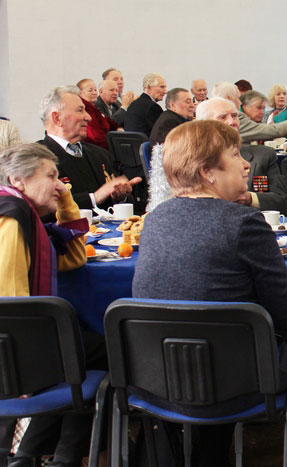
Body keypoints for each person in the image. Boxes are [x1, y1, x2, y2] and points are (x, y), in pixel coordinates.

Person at [132, 120, 287, 466]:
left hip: (161, 375)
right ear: (207, 172)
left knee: (223, 345)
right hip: (233, 379)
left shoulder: (155, 219)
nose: (246, 164)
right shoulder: (245, 223)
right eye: (235, 155)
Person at [0, 143, 105, 467]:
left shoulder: (24, 212)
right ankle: (62, 455)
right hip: (14, 348)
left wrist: (67, 201)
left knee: (86, 349)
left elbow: (73, 259)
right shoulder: (12, 218)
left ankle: (41, 453)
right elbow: (9, 299)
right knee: (113, 348)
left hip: (24, 340)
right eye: (51, 176)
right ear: (19, 180)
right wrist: (18, 372)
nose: (60, 184)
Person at [147, 97, 287, 214]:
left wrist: (249, 198)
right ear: (202, 125)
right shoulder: (184, 161)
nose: (231, 122)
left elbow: (284, 203)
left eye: (234, 116)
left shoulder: (263, 155)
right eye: (222, 117)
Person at [38, 86, 141, 211]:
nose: (88, 117)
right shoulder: (37, 159)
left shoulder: (100, 154)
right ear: (57, 118)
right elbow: (44, 208)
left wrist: (121, 196)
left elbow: (123, 201)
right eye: (80, 110)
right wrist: (94, 198)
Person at [212, 82, 287, 144]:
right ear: (228, 99)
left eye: (263, 108)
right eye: (238, 99)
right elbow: (266, 131)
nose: (240, 102)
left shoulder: (209, 113)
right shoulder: (236, 117)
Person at [77, 78, 117, 149]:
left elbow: (109, 122)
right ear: (80, 93)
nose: (94, 93)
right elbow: (96, 137)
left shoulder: (93, 108)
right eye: (90, 90)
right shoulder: (86, 109)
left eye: (95, 90)